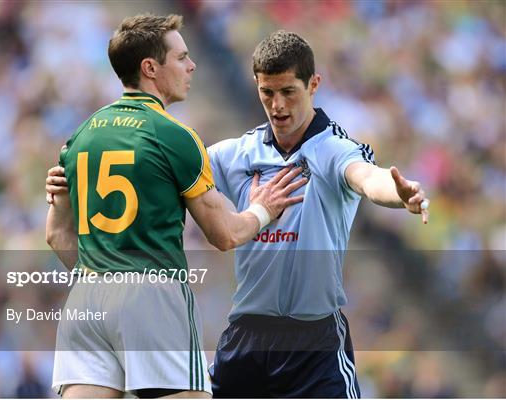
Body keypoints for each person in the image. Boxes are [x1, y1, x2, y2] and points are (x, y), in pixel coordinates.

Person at [47, 30, 429, 398]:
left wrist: (397, 192)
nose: (277, 105)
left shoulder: (333, 148)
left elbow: (366, 177)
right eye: (267, 93)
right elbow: (169, 184)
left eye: (288, 92)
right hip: (247, 334)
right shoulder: (233, 154)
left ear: (313, 85)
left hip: (313, 341)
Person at [45, 16, 306, 399]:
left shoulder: (80, 135)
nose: (192, 65)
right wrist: (263, 208)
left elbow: (56, 234)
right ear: (150, 69)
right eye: (181, 57)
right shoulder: (174, 135)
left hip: (86, 298)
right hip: (151, 295)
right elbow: (225, 234)